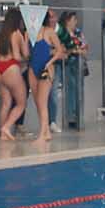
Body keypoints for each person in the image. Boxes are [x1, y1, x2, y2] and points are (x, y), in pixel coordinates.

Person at [0, 5, 30, 141]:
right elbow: (20, 56)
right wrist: (26, 38)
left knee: (6, 103)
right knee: (21, 103)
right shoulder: (17, 34)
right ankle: (6, 127)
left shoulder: (1, 35)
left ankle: (3, 133)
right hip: (11, 68)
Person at [29, 13, 65, 143]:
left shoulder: (49, 32)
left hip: (46, 69)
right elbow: (28, 53)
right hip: (33, 69)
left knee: (42, 102)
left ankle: (42, 135)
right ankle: (47, 132)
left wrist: (49, 62)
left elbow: (60, 50)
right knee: (38, 103)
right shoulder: (29, 33)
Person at [56, 9, 86, 130]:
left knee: (80, 89)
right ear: (67, 21)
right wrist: (73, 50)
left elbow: (84, 48)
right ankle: (71, 117)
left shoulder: (79, 33)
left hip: (78, 64)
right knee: (70, 89)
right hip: (67, 64)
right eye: (74, 20)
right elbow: (62, 49)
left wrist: (77, 51)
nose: (76, 22)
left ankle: (79, 115)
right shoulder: (62, 34)